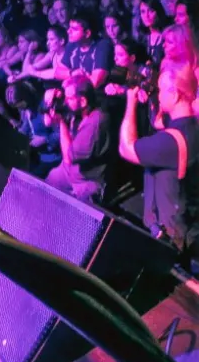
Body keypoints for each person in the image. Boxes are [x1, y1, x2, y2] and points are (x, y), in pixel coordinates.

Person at [118, 69, 199, 264]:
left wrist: (131, 102)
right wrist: (155, 100)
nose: (159, 94)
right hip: (186, 224)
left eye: (162, 90)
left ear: (175, 94)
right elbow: (159, 123)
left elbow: (125, 148)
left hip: (168, 238)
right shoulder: (192, 127)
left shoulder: (171, 142)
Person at [44, 75, 112, 203]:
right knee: (49, 182)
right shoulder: (79, 109)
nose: (65, 102)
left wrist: (61, 123)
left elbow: (68, 158)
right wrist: (51, 101)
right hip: (71, 170)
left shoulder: (94, 124)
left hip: (87, 179)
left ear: (83, 101)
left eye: (69, 98)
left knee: (73, 208)